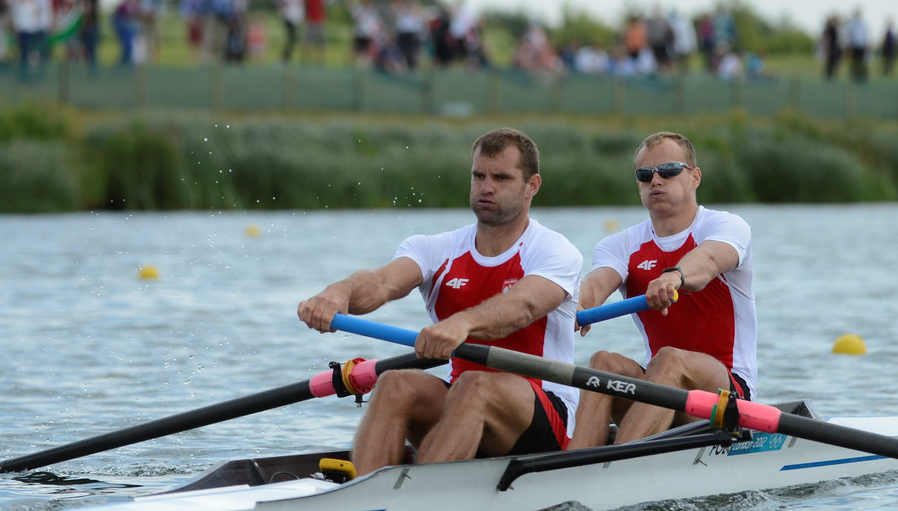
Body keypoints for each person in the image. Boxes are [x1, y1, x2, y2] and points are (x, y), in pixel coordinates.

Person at [298, 128, 583, 475]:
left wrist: (463, 322)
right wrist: (338, 292)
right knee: (394, 382)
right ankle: (367, 494)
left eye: (501, 178)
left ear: (532, 185)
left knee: (474, 385)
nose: (486, 187)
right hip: (462, 400)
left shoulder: (554, 250)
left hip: (544, 417)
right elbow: (381, 283)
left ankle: (419, 497)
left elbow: (523, 306)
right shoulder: (436, 248)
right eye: (478, 176)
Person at [568, 131, 755, 450]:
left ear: (695, 177)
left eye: (668, 170)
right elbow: (596, 285)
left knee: (669, 359)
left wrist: (675, 276)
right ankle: (573, 467)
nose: (656, 180)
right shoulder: (621, 244)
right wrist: (574, 308)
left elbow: (708, 261)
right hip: (662, 390)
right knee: (603, 363)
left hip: (726, 394)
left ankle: (613, 469)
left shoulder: (725, 226)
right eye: (645, 175)